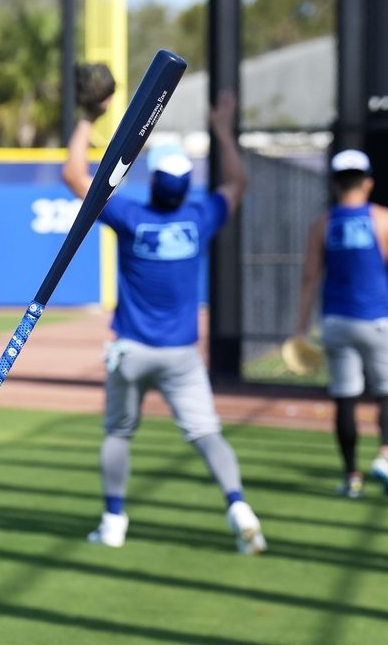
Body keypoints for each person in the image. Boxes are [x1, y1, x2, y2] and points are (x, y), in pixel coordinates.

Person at [61, 87, 266, 555]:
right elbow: (237, 184)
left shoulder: (130, 214)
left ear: (151, 181)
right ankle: (238, 506)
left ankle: (113, 520)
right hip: (181, 355)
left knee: (118, 434)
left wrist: (88, 118)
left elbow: (73, 173)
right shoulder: (199, 217)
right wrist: (222, 129)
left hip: (131, 350)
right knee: (207, 433)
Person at [294, 149, 388, 499]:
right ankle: (386, 453)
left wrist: (300, 327)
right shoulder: (384, 219)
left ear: (336, 183)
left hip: (336, 322)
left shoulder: (322, 224)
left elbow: (309, 277)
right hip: (377, 321)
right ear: (368, 181)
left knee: (346, 398)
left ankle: (352, 476)